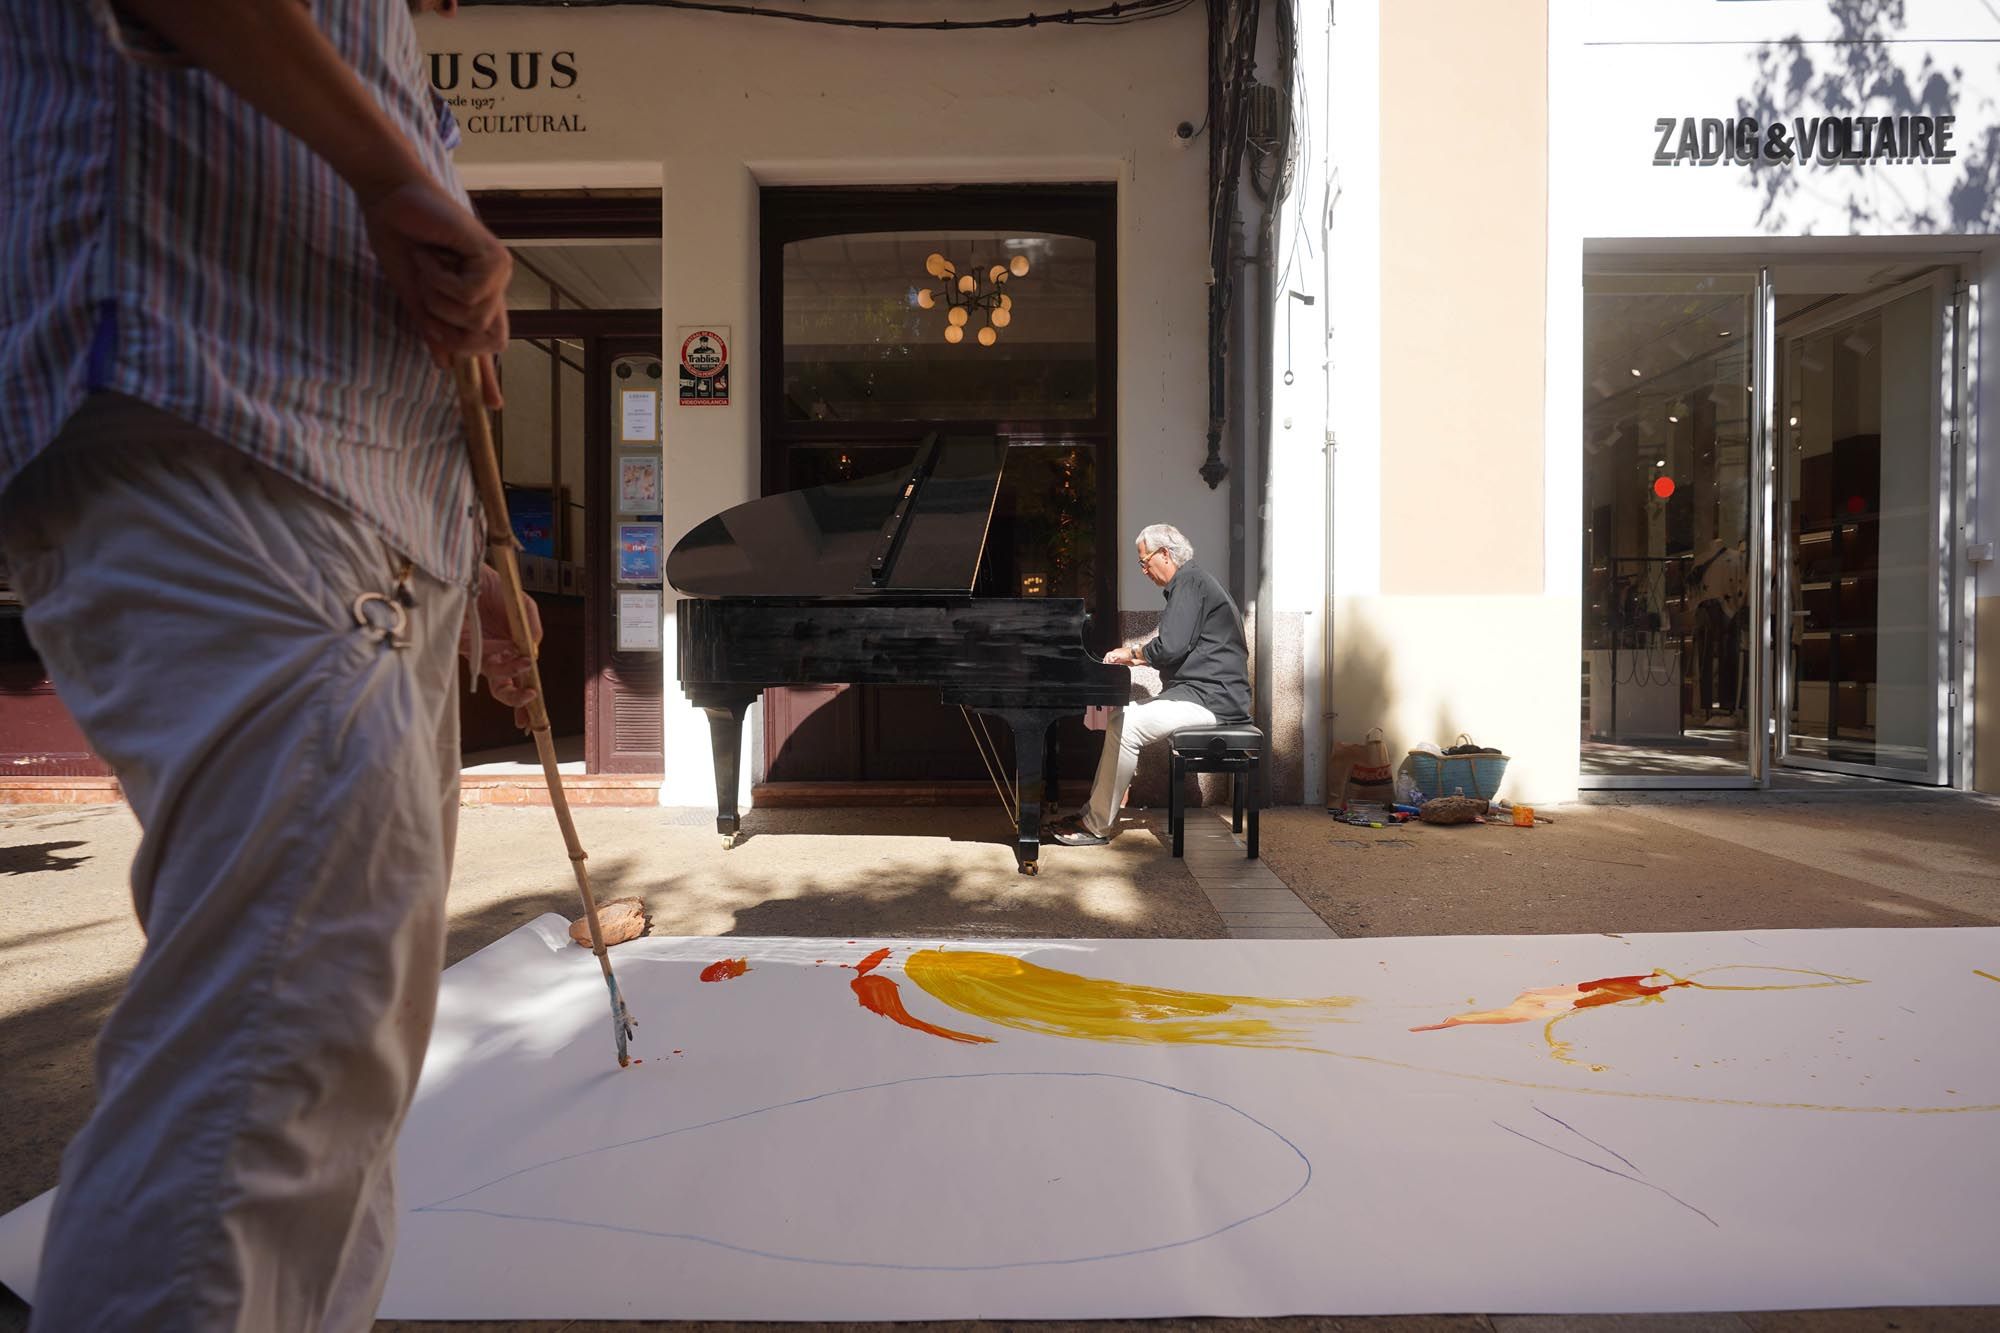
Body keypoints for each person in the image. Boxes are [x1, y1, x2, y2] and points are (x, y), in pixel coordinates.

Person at [1, 2, 539, 1328]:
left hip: (343, 487)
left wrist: (485, 565)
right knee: (278, 1054)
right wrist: (394, 174)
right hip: (223, 410)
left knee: (336, 1061)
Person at [1047, 523, 1251, 847]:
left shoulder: (1190, 582)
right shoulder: (1195, 582)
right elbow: (1176, 647)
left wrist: (1132, 653)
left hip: (1212, 700)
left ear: (1165, 554)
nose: (1143, 570)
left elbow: (1170, 646)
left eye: (1144, 562)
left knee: (1125, 724)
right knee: (1121, 721)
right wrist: (1137, 656)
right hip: (1210, 695)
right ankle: (1093, 814)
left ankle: (1096, 824)